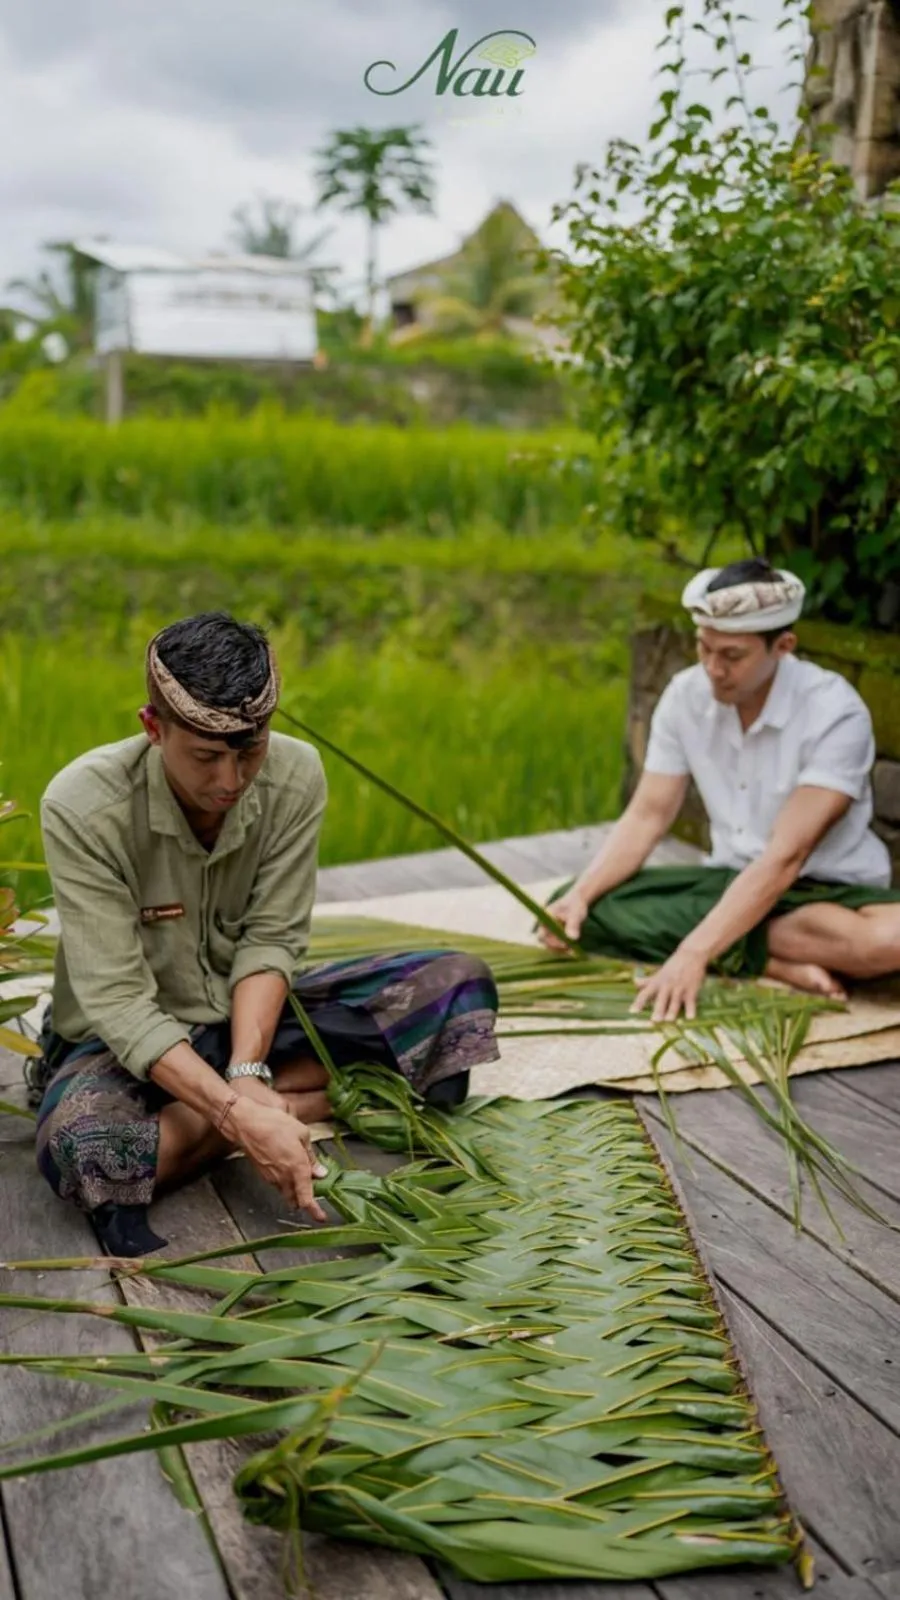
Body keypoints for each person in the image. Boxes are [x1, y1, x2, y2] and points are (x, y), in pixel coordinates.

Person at [30, 613, 499, 1256]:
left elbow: (271, 938)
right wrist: (235, 1114)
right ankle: (287, 1110)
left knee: (455, 989)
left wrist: (248, 1075)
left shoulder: (297, 774)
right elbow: (118, 1003)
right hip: (124, 1045)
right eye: (206, 757)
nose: (231, 781)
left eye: (250, 753)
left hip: (250, 1020)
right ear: (152, 727)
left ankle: (250, 1109)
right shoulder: (81, 807)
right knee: (85, 1150)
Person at [541, 559, 900, 1022]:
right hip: (729, 883)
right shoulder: (684, 695)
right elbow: (648, 814)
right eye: (703, 648)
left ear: (783, 647)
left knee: (889, 940)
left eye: (732, 656)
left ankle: (733, 943)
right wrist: (584, 894)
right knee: (574, 908)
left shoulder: (835, 713)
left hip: (830, 894)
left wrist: (693, 952)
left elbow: (785, 858)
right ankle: (768, 959)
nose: (713, 668)